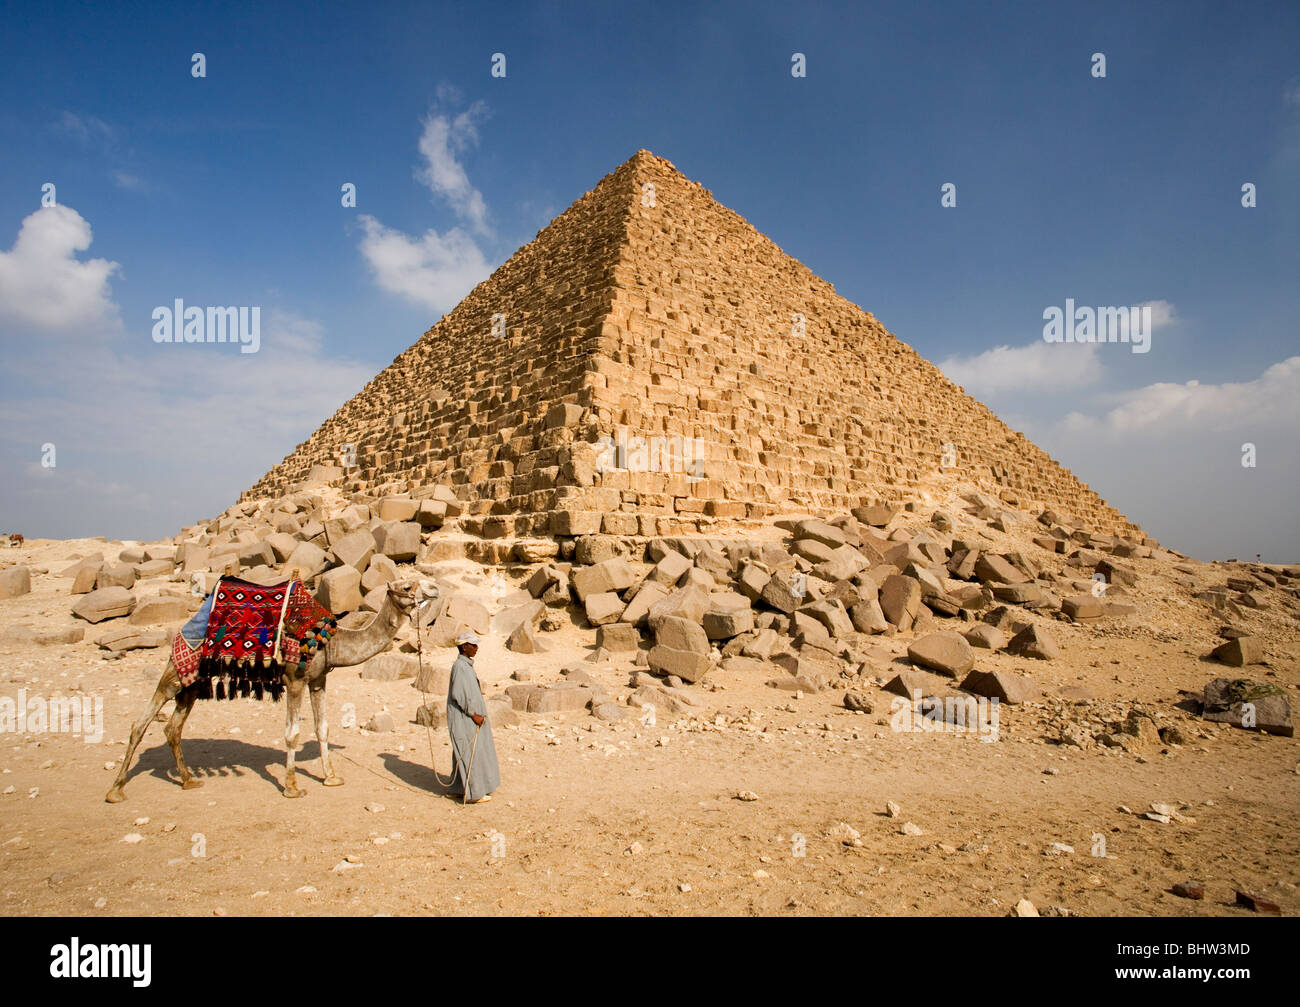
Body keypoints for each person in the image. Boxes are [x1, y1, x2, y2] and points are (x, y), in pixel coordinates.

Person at [446, 631, 499, 803]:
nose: (476, 648)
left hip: (470, 716)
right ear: (463, 647)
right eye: (473, 645)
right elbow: (459, 695)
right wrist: (474, 714)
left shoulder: (465, 666)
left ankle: (459, 788)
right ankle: (473, 793)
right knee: (470, 752)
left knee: (465, 751)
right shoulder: (460, 667)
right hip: (465, 717)